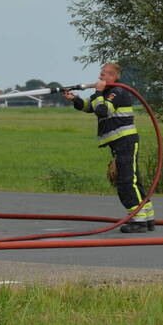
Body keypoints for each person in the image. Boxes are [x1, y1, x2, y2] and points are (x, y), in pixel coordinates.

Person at [64, 62, 154, 233]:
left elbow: (103, 110)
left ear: (113, 76)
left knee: (126, 182)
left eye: (104, 74)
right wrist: (74, 99)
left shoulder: (116, 92)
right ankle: (147, 218)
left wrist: (98, 92)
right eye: (101, 73)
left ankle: (138, 220)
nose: (100, 76)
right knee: (133, 180)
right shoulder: (105, 92)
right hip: (119, 143)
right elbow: (89, 107)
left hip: (125, 141)